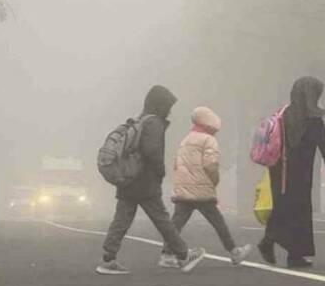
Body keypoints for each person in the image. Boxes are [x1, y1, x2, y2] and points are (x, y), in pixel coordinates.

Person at [97, 85, 206, 275]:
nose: (170, 110)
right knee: (162, 219)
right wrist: (161, 172)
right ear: (159, 105)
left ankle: (108, 259)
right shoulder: (153, 123)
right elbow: (152, 152)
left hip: (128, 178)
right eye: (168, 106)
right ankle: (183, 256)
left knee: (121, 221)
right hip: (144, 180)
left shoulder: (140, 120)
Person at [259, 76, 325, 268]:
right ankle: (292, 253)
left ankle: (273, 242)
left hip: (279, 170)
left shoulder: (283, 114)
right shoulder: (313, 119)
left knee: (282, 207)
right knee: (300, 211)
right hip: (301, 172)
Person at [158, 106, 252, 267]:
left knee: (176, 224)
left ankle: (167, 255)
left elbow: (176, 164)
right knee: (218, 221)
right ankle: (234, 252)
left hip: (184, 190)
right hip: (202, 190)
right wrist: (214, 181)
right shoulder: (209, 140)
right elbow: (211, 165)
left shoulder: (185, 139)